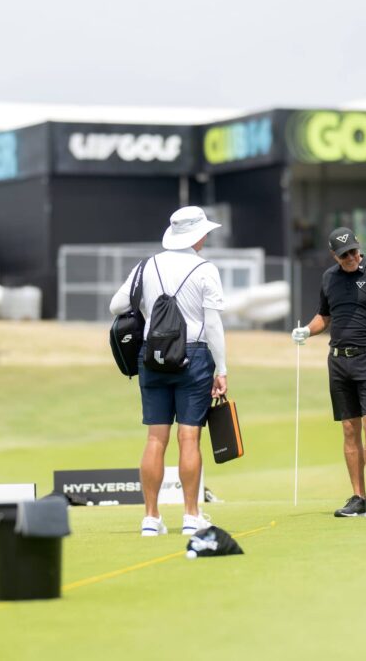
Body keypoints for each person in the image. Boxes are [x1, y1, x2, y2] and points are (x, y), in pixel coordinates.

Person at [109, 206, 228, 536]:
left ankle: (151, 518)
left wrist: (148, 307)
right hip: (194, 356)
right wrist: (222, 369)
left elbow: (116, 306)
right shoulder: (205, 269)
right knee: (189, 437)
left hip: (152, 356)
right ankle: (191, 516)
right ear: (197, 236)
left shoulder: (146, 266)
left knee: (155, 438)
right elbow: (213, 325)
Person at [291, 227, 366, 518]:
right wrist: (306, 330)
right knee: (349, 427)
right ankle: (357, 497)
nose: (352, 257)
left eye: (354, 251)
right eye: (345, 254)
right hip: (338, 360)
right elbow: (324, 317)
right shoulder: (329, 278)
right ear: (334, 255)